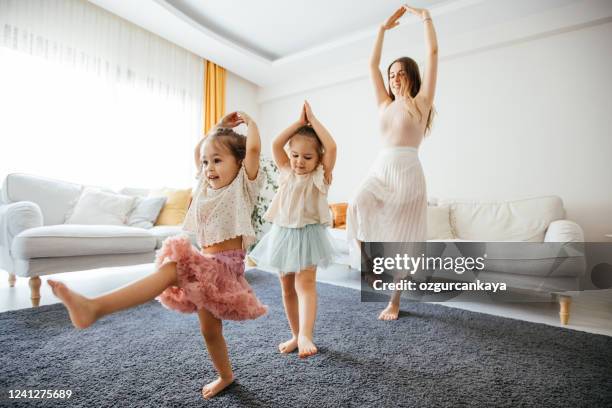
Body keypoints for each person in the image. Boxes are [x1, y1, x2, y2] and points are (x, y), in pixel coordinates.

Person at [48, 111, 268, 399]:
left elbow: (252, 148)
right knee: (209, 332)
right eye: (206, 162)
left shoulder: (243, 186)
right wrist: (217, 128)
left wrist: (250, 124)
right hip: (207, 268)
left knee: (174, 268)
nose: (209, 168)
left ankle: (95, 307)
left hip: (225, 268)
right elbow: (197, 152)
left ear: (239, 163)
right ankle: (226, 376)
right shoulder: (203, 186)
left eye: (217, 160)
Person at [346, 5, 438, 321]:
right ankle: (370, 264)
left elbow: (434, 52)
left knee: (404, 239)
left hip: (409, 173)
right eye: (392, 73)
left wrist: (425, 16)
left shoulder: (421, 103)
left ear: (411, 77)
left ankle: (394, 300)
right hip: (381, 168)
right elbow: (371, 63)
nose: (395, 77)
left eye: (401, 72)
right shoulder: (384, 103)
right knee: (357, 204)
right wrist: (382, 30)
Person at [249, 101, 337, 358]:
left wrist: (313, 119)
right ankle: (296, 334)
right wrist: (299, 123)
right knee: (286, 286)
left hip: (308, 236)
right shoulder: (286, 170)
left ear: (318, 159)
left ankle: (306, 334)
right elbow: (277, 144)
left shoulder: (321, 175)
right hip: (282, 234)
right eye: (295, 155)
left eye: (307, 157)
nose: (299, 161)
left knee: (305, 284)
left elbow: (331, 146)